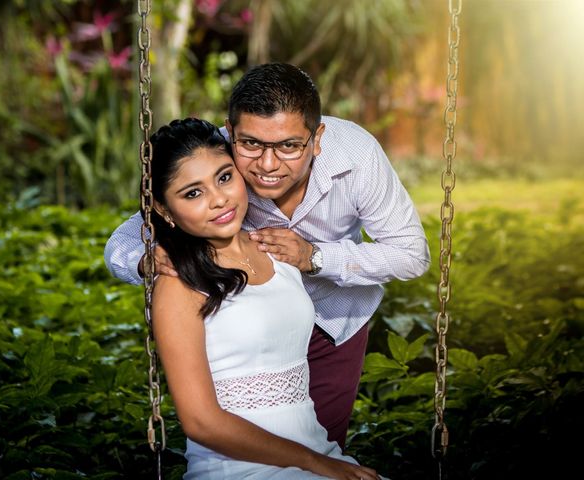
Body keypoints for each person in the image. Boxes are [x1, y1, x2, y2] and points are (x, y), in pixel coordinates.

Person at [105, 63, 430, 449]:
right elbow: (128, 234)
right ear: (231, 130)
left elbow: (412, 254)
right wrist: (147, 260)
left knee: (321, 444)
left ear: (317, 137)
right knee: (249, 437)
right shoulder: (218, 158)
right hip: (250, 326)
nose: (268, 165)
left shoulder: (357, 156)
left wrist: (316, 257)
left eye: (289, 146)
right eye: (252, 144)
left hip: (336, 319)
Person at [144, 117, 381, 479]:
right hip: (239, 468)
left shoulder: (277, 253)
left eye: (224, 177)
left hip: (318, 452)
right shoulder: (179, 283)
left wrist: (325, 460)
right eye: (193, 193)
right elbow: (201, 423)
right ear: (164, 210)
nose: (218, 199)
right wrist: (316, 463)